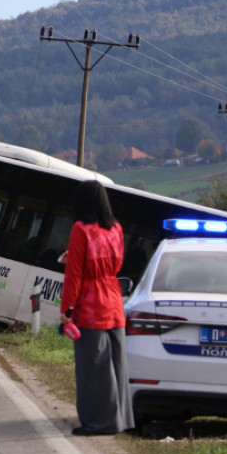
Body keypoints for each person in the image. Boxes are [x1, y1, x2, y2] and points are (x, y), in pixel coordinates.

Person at [60, 180, 135, 436]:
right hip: (114, 301)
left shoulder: (81, 230)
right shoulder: (115, 228)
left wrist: (66, 309)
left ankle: (99, 422)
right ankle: (120, 419)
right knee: (116, 365)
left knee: (93, 368)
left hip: (90, 304)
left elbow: (74, 275)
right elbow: (117, 263)